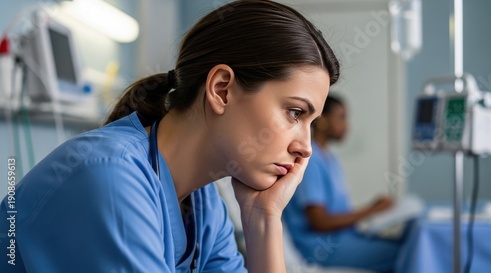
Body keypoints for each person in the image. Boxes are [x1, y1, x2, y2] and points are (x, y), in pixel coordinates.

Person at [0, 1, 340, 272]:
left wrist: (263, 220)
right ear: (222, 90)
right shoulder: (110, 176)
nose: (305, 147)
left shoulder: (204, 206)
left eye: (310, 122)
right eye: (295, 112)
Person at [283, 95, 400, 273]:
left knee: (403, 243)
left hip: (340, 239)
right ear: (322, 121)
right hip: (320, 248)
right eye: (342, 117)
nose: (347, 126)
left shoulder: (329, 158)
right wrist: (371, 211)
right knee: (404, 253)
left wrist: (373, 210)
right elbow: (320, 222)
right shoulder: (311, 159)